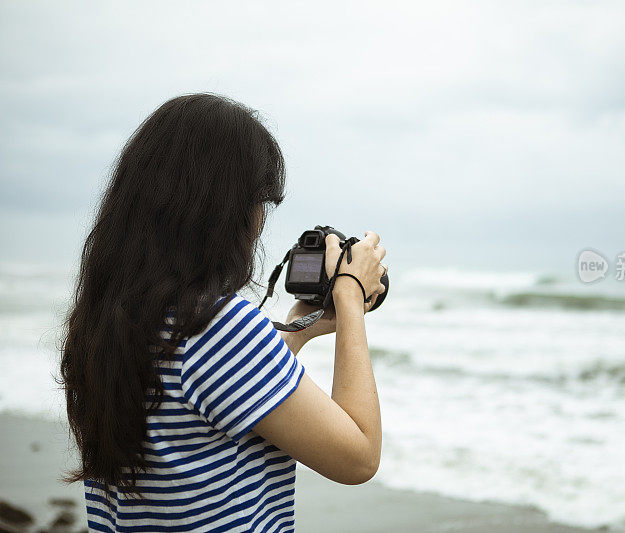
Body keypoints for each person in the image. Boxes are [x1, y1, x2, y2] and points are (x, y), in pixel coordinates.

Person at [59, 93, 387, 532]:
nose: (259, 222)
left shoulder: (107, 319)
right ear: (224, 209)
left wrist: (297, 330)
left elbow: (207, 393)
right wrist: (350, 296)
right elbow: (359, 457)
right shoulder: (218, 325)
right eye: (259, 203)